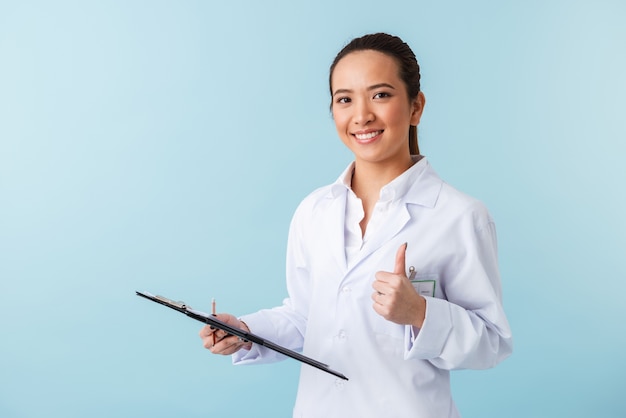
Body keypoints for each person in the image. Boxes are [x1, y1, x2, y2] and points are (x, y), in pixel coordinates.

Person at [199, 32, 513, 418]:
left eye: (380, 95)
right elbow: (305, 316)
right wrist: (244, 331)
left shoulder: (459, 216)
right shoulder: (314, 211)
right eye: (345, 99)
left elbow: (491, 343)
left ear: (416, 107)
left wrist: (419, 313)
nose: (361, 115)